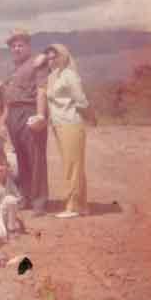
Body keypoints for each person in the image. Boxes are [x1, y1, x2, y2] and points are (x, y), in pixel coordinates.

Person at [2, 29, 50, 216]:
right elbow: (8, 97)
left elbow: (42, 90)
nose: (16, 48)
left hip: (29, 110)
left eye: (20, 45)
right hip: (14, 114)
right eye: (13, 46)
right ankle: (26, 197)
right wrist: (5, 120)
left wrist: (40, 115)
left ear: (28, 46)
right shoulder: (13, 68)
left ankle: (39, 201)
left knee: (36, 157)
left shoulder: (38, 62)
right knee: (21, 158)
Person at [45, 43, 93, 218]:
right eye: (49, 58)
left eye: (55, 57)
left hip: (71, 123)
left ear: (64, 57)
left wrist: (85, 116)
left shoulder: (69, 75)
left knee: (73, 166)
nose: (52, 61)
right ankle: (81, 205)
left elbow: (81, 100)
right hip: (58, 125)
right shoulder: (53, 76)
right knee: (71, 165)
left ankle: (73, 206)